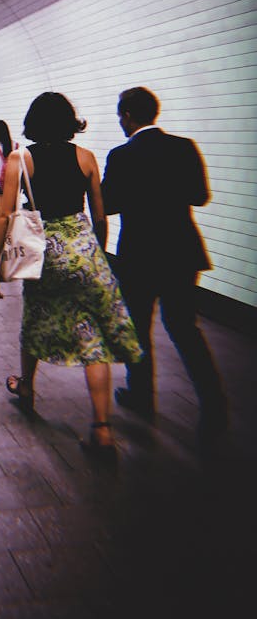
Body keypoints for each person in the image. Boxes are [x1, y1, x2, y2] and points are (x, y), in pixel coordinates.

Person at [0, 92, 142, 462]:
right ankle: (102, 430)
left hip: (45, 251)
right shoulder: (85, 157)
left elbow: (6, 216)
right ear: (70, 121)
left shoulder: (20, 158)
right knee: (93, 337)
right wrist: (95, 254)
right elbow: (101, 216)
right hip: (84, 247)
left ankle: (26, 388)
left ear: (33, 122)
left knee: (36, 316)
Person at [101, 86, 228, 446]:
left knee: (138, 327)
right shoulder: (184, 147)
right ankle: (214, 406)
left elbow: (108, 205)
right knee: (185, 328)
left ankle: (141, 395)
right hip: (181, 252)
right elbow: (201, 196)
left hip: (139, 254)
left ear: (127, 116)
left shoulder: (122, 155)